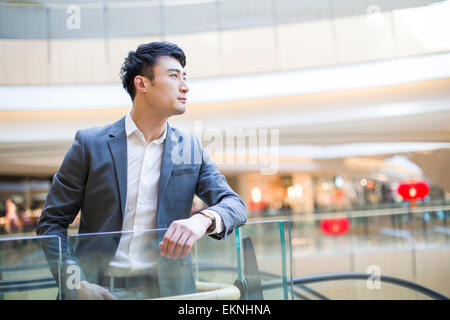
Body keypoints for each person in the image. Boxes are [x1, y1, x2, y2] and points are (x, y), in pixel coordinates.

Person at [35, 41, 247, 300]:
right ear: (142, 84)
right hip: (98, 291)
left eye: (185, 77)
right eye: (173, 76)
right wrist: (74, 282)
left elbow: (235, 205)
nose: (185, 86)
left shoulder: (190, 148)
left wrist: (202, 220)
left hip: (170, 293)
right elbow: (52, 223)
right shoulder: (89, 145)